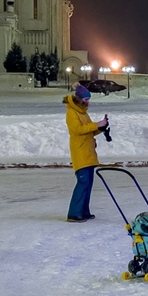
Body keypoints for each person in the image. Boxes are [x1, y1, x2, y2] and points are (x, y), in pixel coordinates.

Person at [64, 84, 107, 222]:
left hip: (88, 152)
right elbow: (78, 129)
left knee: (88, 184)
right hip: (80, 152)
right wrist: (96, 125)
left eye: (89, 99)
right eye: (86, 99)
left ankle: (83, 211)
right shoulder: (72, 112)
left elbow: (88, 130)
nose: (88, 102)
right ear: (79, 98)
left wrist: (101, 128)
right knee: (83, 182)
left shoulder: (83, 113)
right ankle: (74, 213)